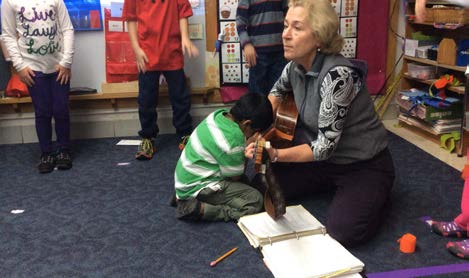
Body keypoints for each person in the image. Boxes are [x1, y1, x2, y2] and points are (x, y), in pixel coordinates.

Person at [245, 0, 395, 247]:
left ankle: (378, 194)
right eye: (285, 26)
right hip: (325, 163)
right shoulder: (294, 67)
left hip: (363, 164)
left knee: (344, 232)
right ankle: (336, 188)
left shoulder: (338, 75)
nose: (285, 34)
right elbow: (276, 95)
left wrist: (276, 154)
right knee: (260, 188)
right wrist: (258, 133)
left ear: (319, 37)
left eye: (297, 28)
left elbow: (324, 147)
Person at [173, 93, 273, 222]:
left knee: (246, 184)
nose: (255, 135)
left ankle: (186, 199)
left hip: (186, 179)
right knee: (256, 200)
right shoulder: (234, 138)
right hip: (199, 186)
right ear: (247, 124)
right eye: (255, 132)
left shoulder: (219, 115)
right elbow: (235, 177)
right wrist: (246, 148)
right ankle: (202, 209)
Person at [1, 0, 75, 173]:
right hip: (33, 69)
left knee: (61, 109)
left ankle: (64, 150)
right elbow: (8, 35)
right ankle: (46, 153)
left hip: (59, 67)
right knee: (42, 112)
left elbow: (67, 29)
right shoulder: (9, 2)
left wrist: (67, 62)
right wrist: (19, 66)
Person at [122, 0, 199, 160]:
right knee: (146, 99)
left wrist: (185, 37)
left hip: (172, 52)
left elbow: (182, 12)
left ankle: (185, 133)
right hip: (147, 54)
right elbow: (131, 20)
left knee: (180, 97)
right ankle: (147, 138)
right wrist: (136, 49)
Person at [236, 0, 288, 95]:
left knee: (278, 94)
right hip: (257, 55)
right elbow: (240, 21)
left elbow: (288, 16)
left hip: (280, 53)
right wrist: (246, 44)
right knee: (257, 96)